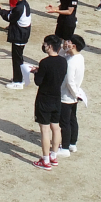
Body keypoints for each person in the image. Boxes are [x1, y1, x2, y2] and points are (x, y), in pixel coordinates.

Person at [33, 36, 67, 170]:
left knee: (45, 130)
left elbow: (38, 82)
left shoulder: (45, 63)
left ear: (51, 46)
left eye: (45, 44)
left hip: (44, 99)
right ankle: (53, 155)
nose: (44, 46)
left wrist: (36, 73)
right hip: (56, 98)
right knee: (56, 127)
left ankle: (45, 160)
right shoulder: (63, 62)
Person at [2, 0, 34, 88]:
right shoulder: (24, 5)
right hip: (23, 35)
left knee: (17, 60)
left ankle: (18, 81)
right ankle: (22, 77)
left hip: (19, 36)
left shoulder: (20, 7)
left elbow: (10, 17)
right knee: (19, 59)